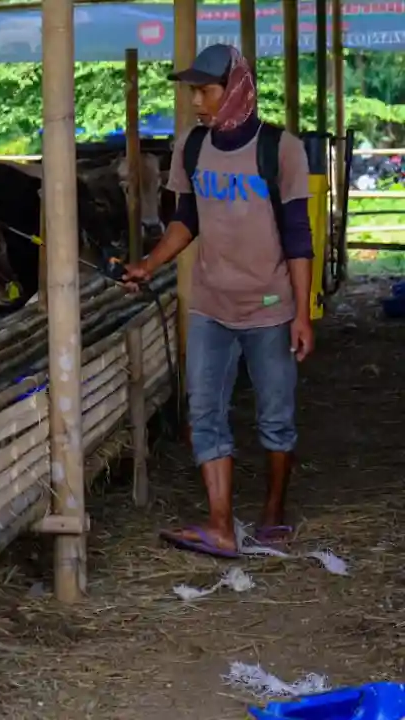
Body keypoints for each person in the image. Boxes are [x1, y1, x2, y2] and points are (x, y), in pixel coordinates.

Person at [122, 43, 315, 558]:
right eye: (193, 93)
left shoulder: (282, 149)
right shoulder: (191, 147)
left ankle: (273, 510)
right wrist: (150, 264)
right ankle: (221, 524)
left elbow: (298, 235)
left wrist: (303, 313)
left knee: (275, 416)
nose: (197, 103)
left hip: (270, 306)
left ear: (238, 89)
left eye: (205, 91)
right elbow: (186, 219)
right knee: (204, 411)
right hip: (210, 304)